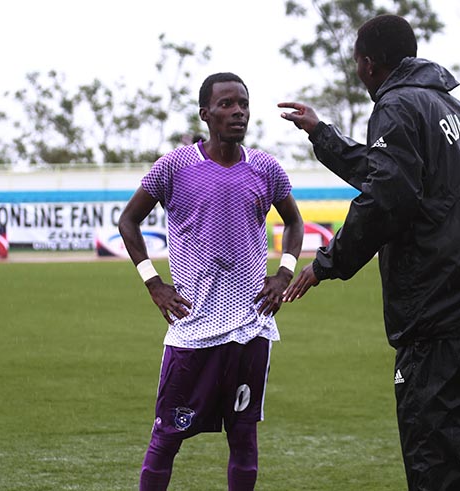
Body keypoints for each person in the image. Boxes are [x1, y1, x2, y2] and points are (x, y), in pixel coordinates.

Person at [278, 14, 460, 491]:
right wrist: (322, 134)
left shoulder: (397, 104)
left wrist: (326, 263)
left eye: (356, 63)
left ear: (368, 63)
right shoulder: (452, 108)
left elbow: (388, 197)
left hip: (438, 314)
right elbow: (393, 173)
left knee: (437, 471)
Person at [119, 72, 303, 491]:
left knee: (244, 438)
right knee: (166, 437)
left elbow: (294, 221)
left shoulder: (265, 168)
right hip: (193, 330)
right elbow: (128, 220)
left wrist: (284, 273)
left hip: (250, 328)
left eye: (243, 104)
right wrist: (153, 283)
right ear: (205, 114)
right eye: (226, 104)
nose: (238, 112)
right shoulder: (175, 166)